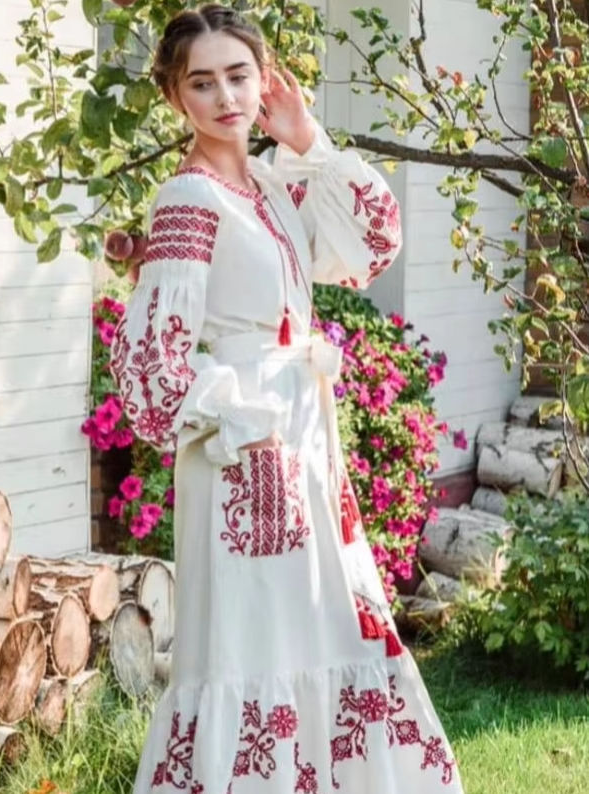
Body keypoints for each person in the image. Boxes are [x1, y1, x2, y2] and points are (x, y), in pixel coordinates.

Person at [110, 5, 464, 792]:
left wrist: (308, 138)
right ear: (175, 96)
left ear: (265, 79)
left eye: (239, 76)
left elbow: (373, 245)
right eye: (203, 83)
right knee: (254, 645)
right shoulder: (188, 199)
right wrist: (243, 419)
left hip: (306, 437)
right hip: (241, 446)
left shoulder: (273, 185)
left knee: (324, 625)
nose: (225, 97)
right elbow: (153, 373)